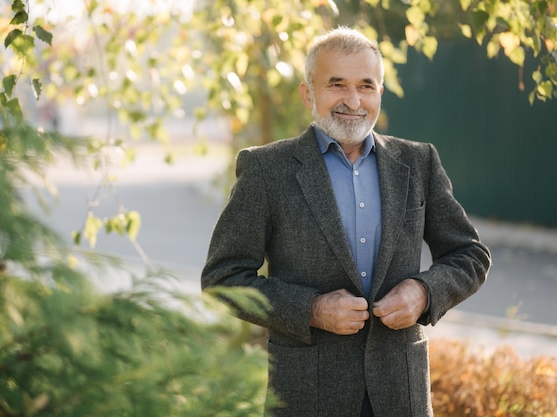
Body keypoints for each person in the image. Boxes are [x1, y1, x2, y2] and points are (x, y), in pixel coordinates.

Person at [201, 26, 491, 417]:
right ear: (309, 94)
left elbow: (469, 256)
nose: (352, 100)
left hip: (400, 397)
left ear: (379, 94)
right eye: (336, 85)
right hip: (307, 397)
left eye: (366, 86)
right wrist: (312, 309)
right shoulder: (266, 170)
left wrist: (423, 293)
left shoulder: (418, 163)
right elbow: (223, 279)